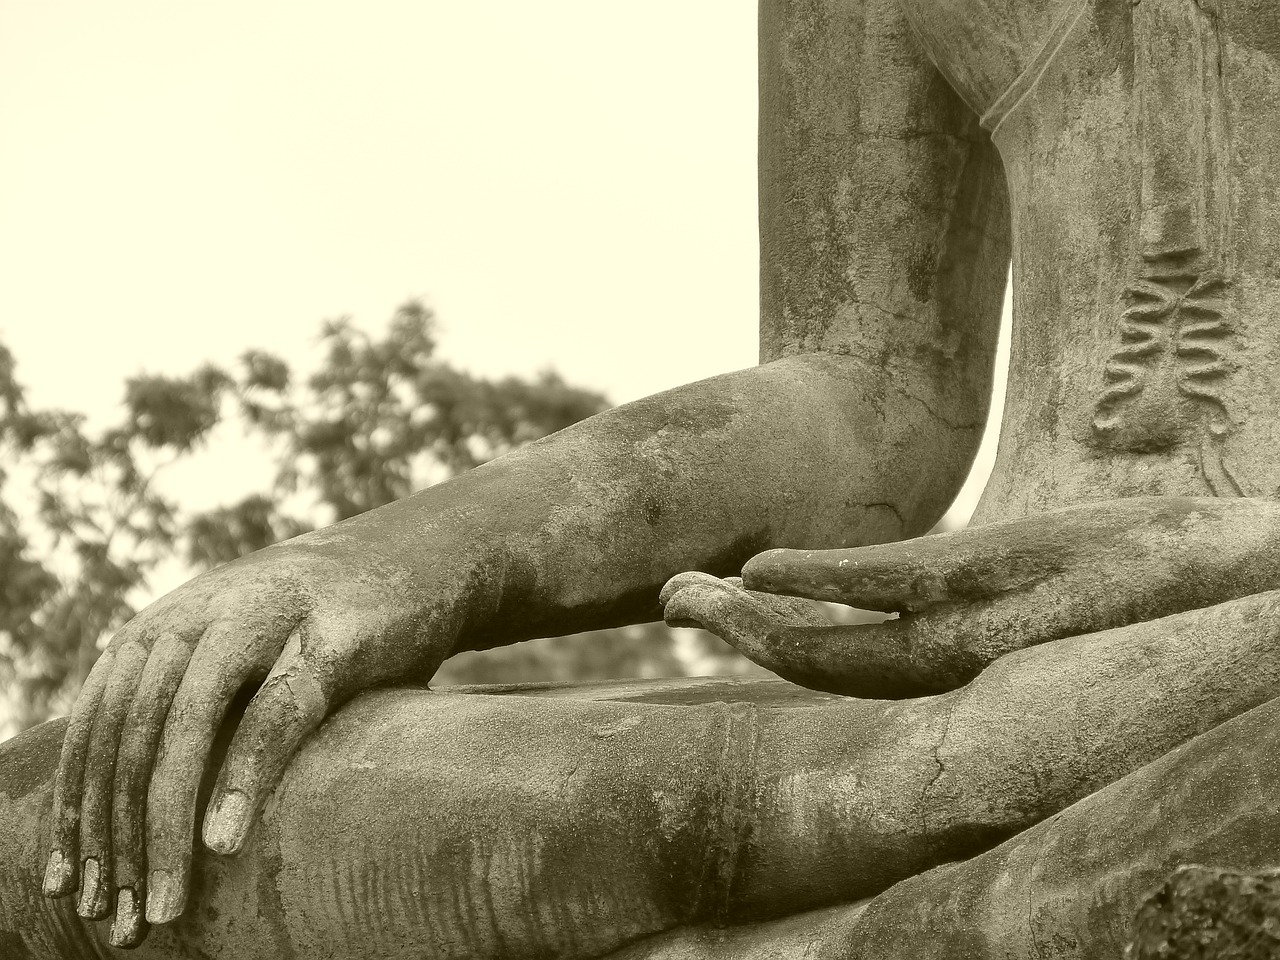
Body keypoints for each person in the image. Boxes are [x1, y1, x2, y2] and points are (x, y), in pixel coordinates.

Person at [5, 0, 1280, 955]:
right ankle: (894, 795)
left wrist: (1234, 555)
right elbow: (868, 392)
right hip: (957, 665)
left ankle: (933, 804)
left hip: (1251, 643)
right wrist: (400, 562)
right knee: (78, 821)